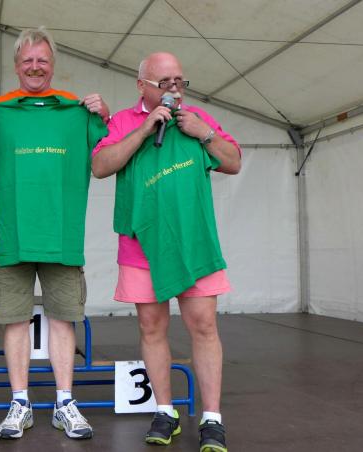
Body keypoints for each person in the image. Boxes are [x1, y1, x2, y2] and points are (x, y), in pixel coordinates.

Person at [92, 51, 241, 452]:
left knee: (204, 326)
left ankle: (212, 418)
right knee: (151, 327)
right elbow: (101, 165)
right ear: (142, 85)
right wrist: (144, 130)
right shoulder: (123, 121)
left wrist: (204, 134)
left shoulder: (196, 119)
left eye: (179, 81)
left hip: (193, 243)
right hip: (141, 247)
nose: (175, 88)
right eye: (165, 82)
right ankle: (164, 411)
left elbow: (233, 162)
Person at [0, 27, 109, 441]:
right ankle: (19, 402)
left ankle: (64, 402)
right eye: (27, 61)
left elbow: (110, 152)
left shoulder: (78, 110)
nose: (35, 67)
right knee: (13, 320)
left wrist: (104, 116)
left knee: (64, 318)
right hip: (11, 236)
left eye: (42, 60)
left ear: (53, 65)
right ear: (16, 66)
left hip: (61, 236)